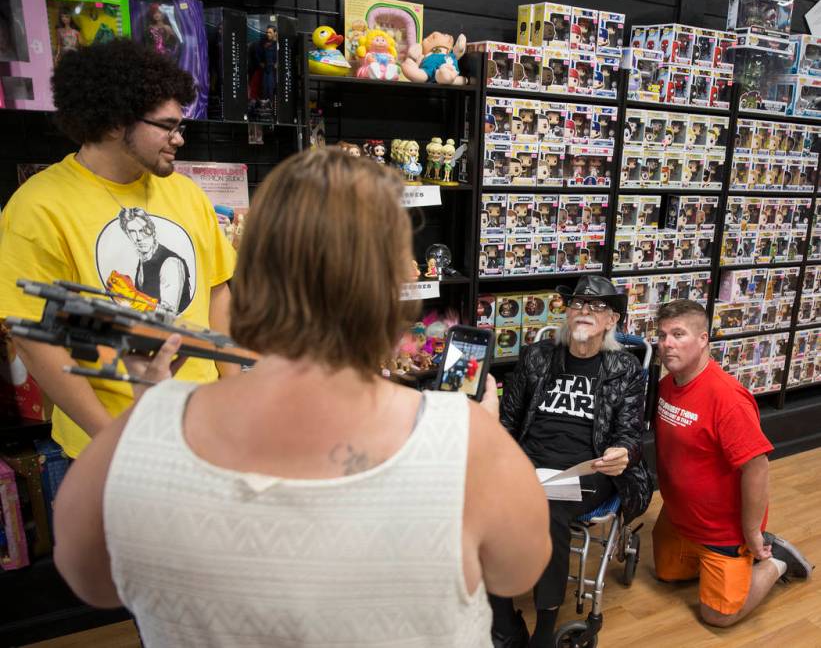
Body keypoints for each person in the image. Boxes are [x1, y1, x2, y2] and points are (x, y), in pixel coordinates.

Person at [51, 149, 552, 647]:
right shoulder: (466, 440)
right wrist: (480, 431)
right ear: (393, 281)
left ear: (252, 270)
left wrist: (150, 420)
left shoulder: (136, 434)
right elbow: (518, 572)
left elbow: (89, 578)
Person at [0, 39, 236, 459]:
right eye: (167, 126)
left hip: (201, 430)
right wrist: (113, 440)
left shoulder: (185, 194)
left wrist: (235, 394)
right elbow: (36, 340)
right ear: (113, 123)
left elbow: (217, 293)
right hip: (108, 448)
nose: (179, 139)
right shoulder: (38, 207)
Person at [487, 275, 652, 647]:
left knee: (548, 511)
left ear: (612, 320)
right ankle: (503, 624)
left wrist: (622, 452)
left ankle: (544, 633)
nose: (585, 311)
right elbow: (509, 422)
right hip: (529, 463)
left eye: (597, 307)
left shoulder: (624, 369)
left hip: (588, 469)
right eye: (578, 304)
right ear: (567, 313)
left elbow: (630, 434)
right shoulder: (537, 356)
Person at [654, 299, 813, 627]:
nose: (667, 343)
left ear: (703, 340)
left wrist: (752, 531)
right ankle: (715, 565)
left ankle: (777, 560)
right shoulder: (667, 385)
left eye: (679, 334)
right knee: (667, 574)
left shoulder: (727, 398)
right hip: (680, 514)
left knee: (718, 617)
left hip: (722, 528)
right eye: (662, 335)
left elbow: (757, 466)